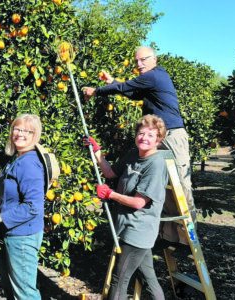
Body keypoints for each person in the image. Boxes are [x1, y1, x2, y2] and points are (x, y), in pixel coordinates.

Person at [83, 45, 196, 240]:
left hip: (172, 136)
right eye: (136, 61)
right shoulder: (150, 80)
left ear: (155, 59)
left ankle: (190, 237)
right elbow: (132, 92)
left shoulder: (155, 75)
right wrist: (113, 81)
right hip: (158, 136)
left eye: (143, 59)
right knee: (162, 183)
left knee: (181, 185)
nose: (139, 64)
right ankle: (171, 237)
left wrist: (96, 91)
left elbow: (125, 87)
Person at [85, 114, 168, 300]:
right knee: (148, 279)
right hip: (127, 228)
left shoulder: (155, 164)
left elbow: (139, 202)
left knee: (119, 280)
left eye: (150, 135)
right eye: (141, 133)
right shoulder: (133, 155)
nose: (144, 138)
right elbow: (110, 172)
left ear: (158, 140)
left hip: (138, 231)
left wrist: (110, 194)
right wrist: (96, 150)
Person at [0, 114, 46, 300]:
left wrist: (1, 218)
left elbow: (33, 206)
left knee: (25, 293)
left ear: (35, 135)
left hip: (23, 235)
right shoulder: (18, 159)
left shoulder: (29, 164)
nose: (20, 134)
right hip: (14, 233)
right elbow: (12, 192)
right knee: (12, 289)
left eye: (26, 131)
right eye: (17, 129)